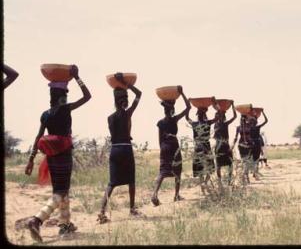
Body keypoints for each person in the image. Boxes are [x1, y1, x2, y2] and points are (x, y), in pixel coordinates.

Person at [24, 65, 91, 242]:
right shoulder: (65, 109)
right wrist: (77, 77)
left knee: (61, 190)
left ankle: (64, 226)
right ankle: (36, 220)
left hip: (51, 156)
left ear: (51, 95)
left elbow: (38, 137)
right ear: (63, 96)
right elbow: (88, 96)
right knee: (61, 192)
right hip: (64, 154)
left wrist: (31, 159)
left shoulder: (45, 114)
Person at [97, 73, 142, 224]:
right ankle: (132, 209)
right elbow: (139, 94)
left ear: (115, 102)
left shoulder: (110, 118)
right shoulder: (128, 113)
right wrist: (125, 82)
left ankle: (101, 212)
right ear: (125, 102)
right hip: (126, 149)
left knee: (112, 183)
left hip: (115, 150)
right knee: (131, 180)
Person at [151, 86, 190, 206]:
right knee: (177, 171)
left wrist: (163, 150)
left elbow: (159, 140)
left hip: (165, 147)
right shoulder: (175, 119)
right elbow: (188, 107)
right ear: (172, 110)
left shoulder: (161, 122)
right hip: (174, 146)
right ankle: (176, 195)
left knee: (163, 171)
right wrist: (182, 93)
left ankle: (154, 194)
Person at [186, 102, 217, 195]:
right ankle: (205, 184)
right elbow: (218, 117)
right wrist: (215, 104)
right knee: (210, 168)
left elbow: (187, 118)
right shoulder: (208, 122)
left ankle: (203, 187)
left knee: (200, 169)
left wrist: (188, 107)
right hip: (206, 147)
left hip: (198, 147)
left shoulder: (194, 124)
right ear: (204, 115)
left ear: (198, 115)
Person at [213, 101, 237, 187]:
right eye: (220, 115)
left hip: (222, 146)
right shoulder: (217, 125)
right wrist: (232, 105)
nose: (221, 117)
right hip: (222, 147)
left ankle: (227, 182)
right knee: (221, 165)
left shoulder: (220, 124)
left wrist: (233, 106)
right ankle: (223, 182)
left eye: (222, 115)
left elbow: (235, 116)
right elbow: (235, 116)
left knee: (228, 164)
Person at [231, 114, 252, 184]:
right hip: (242, 145)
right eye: (242, 119)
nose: (242, 120)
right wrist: (232, 145)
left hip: (247, 144)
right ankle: (245, 176)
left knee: (246, 161)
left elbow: (236, 138)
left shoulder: (248, 126)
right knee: (245, 161)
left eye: (243, 119)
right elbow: (236, 137)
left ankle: (245, 176)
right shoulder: (240, 127)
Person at [249, 110, 268, 180]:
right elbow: (266, 121)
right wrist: (263, 112)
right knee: (255, 160)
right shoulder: (257, 127)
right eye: (252, 122)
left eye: (253, 122)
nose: (252, 123)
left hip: (253, 144)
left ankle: (255, 173)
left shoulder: (250, 128)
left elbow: (266, 121)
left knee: (254, 160)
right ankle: (255, 173)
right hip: (256, 144)